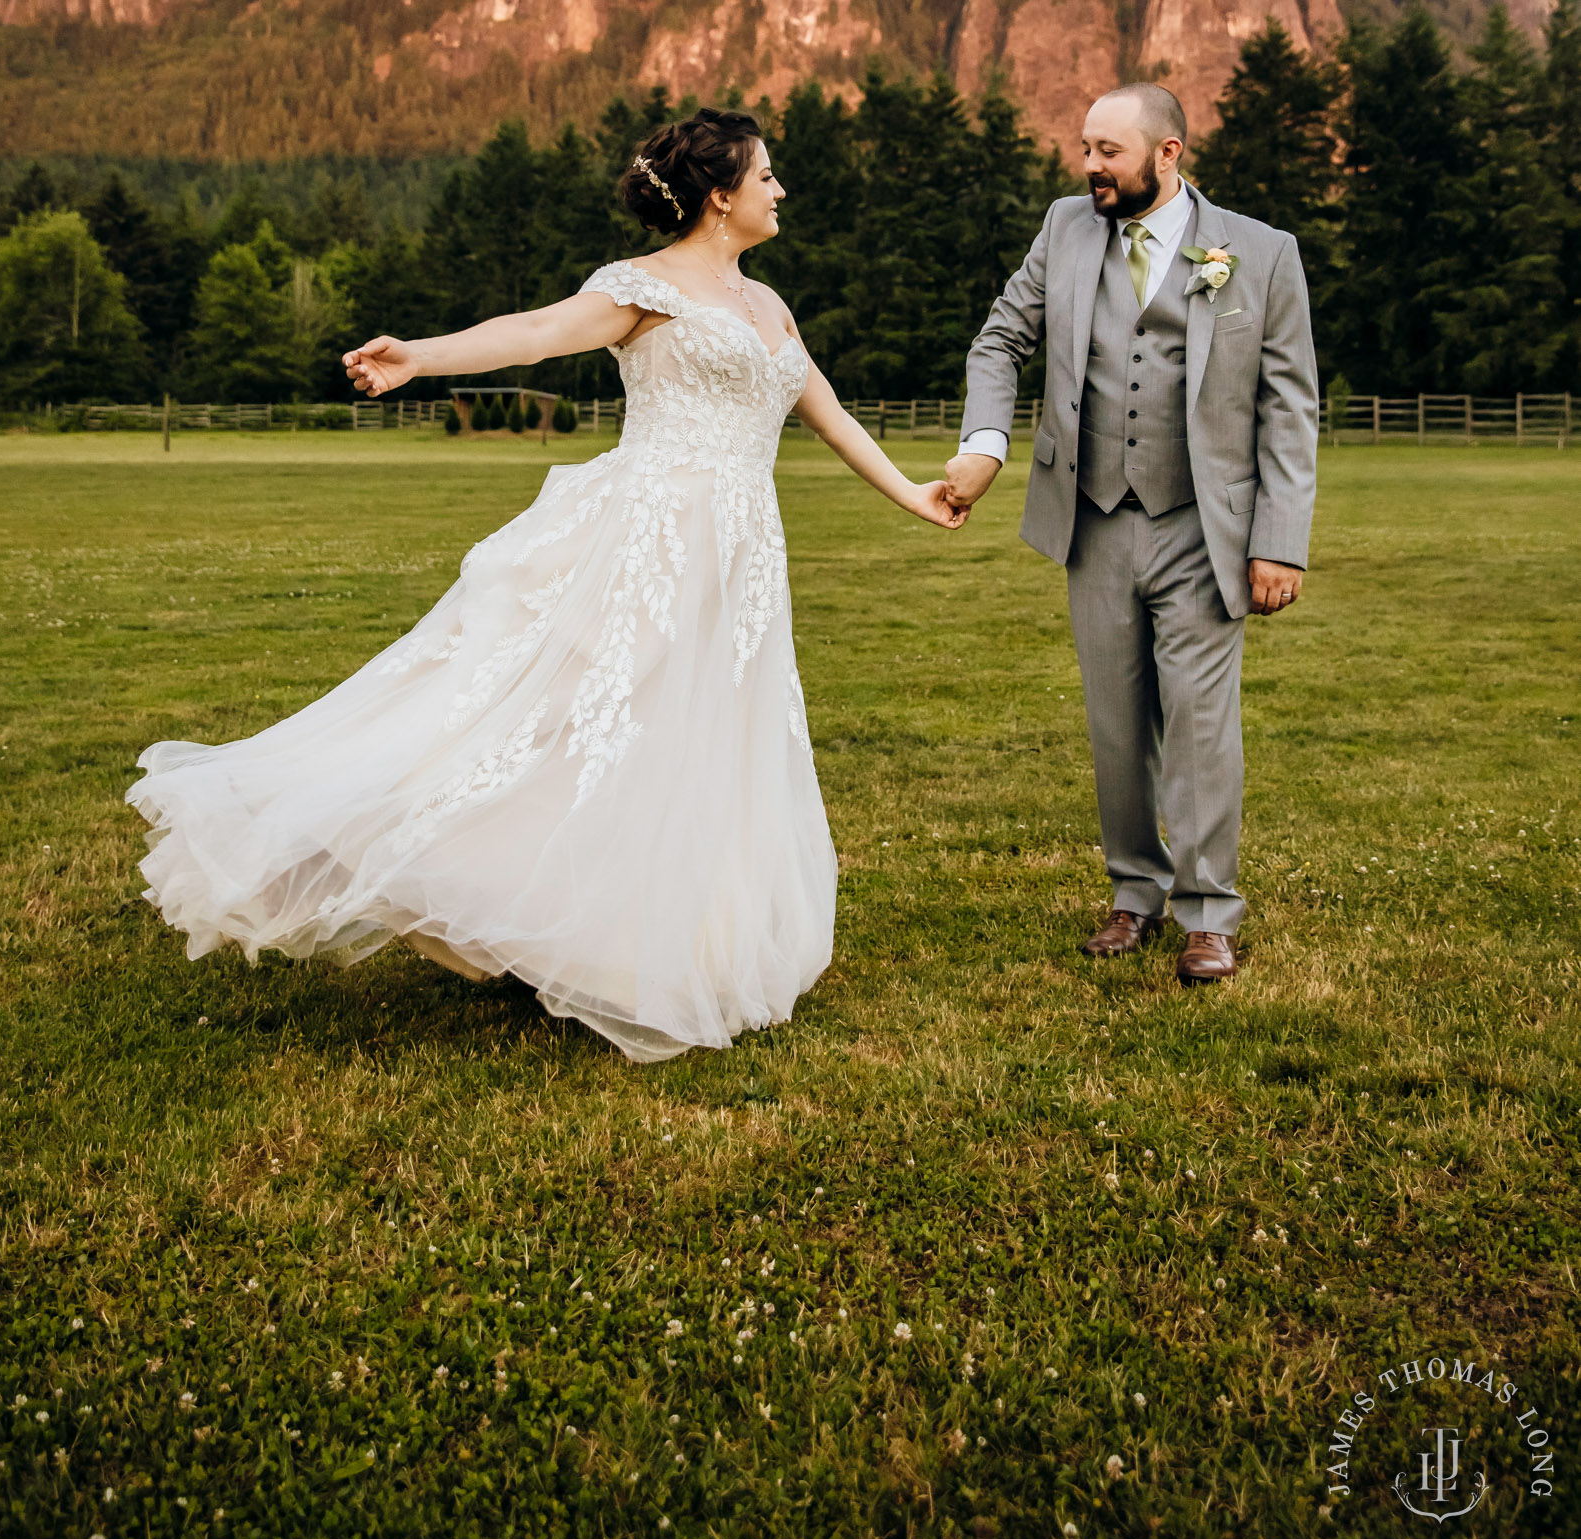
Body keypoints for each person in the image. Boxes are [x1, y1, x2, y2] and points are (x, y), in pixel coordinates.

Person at [128, 109, 964, 1062]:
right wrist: (420, 356)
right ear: (720, 195)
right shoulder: (640, 288)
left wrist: (911, 494)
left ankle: (649, 937)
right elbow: (531, 334)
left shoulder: (768, 307)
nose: (781, 190)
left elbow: (823, 409)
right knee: (579, 718)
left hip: (740, 554)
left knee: (695, 735)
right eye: (767, 175)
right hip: (648, 532)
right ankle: (464, 880)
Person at [943, 84, 1317, 984]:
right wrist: (984, 443)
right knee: (1116, 725)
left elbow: (1288, 405)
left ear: (1169, 153)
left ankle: (1207, 913)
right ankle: (1133, 894)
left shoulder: (1260, 253)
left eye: (1108, 151)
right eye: (1085, 148)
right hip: (1094, 518)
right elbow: (1000, 340)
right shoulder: (1065, 228)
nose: (1090, 167)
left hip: (1204, 526)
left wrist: (1281, 538)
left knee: (1197, 722)